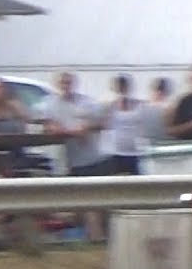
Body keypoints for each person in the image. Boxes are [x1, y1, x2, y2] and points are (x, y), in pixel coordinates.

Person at [38, 72, 111, 242]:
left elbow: (104, 121)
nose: (66, 85)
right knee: (81, 201)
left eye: (69, 82)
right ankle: (91, 236)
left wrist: (87, 126)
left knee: (94, 200)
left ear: (74, 83)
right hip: (69, 161)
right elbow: (46, 125)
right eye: (63, 82)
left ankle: (96, 236)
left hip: (94, 158)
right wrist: (71, 131)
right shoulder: (50, 103)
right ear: (57, 84)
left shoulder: (86, 102)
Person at [102, 73, 145, 175]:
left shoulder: (139, 104)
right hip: (116, 151)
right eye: (119, 85)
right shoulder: (108, 105)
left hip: (135, 150)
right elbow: (104, 125)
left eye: (124, 85)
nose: (122, 88)